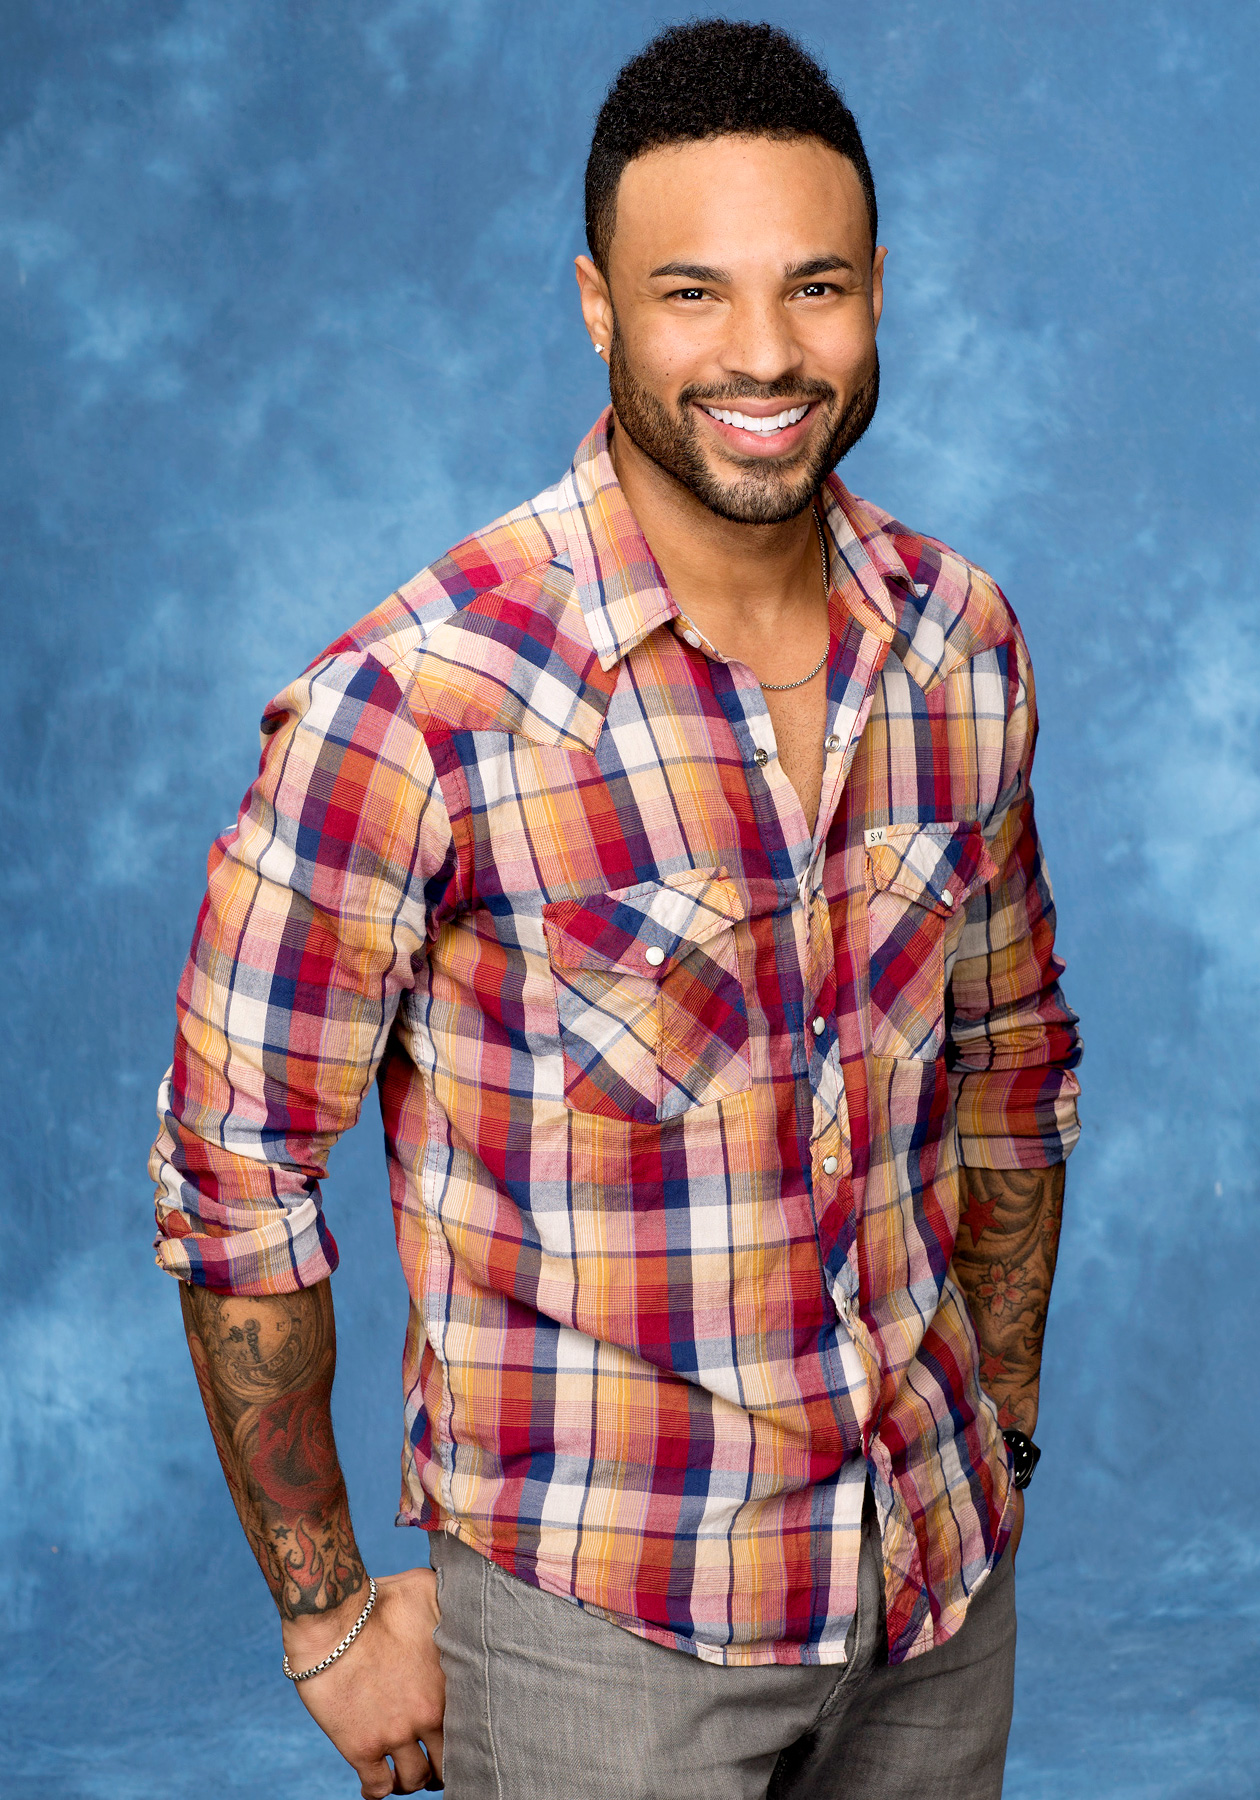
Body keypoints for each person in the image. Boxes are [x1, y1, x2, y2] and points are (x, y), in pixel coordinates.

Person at [149, 20, 1081, 1799]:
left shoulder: (962, 645)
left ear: (878, 291)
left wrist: (1003, 1433)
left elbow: (1016, 1061)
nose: (764, 353)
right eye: (691, 292)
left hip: (938, 1596)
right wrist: (328, 1611)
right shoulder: (418, 702)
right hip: (603, 1634)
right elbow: (234, 1164)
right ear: (598, 307)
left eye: (815, 287)